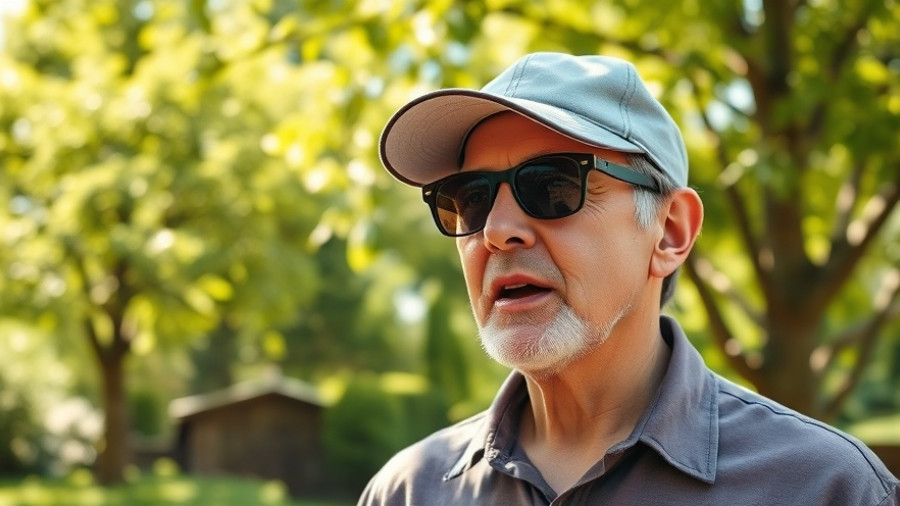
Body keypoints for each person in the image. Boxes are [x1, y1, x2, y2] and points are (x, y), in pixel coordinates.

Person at [359, 52, 899, 505]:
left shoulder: (825, 489)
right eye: (471, 199)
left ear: (669, 232)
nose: (497, 231)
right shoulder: (408, 490)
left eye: (551, 186)